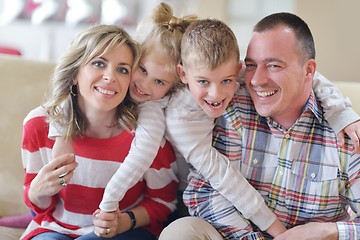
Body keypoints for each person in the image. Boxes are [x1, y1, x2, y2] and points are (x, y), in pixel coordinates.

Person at [160, 12, 360, 239]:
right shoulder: (231, 102)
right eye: (252, 65)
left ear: (309, 71)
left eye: (274, 65)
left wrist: (329, 231)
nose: (256, 80)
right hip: (237, 235)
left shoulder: (346, 133)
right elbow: (205, 192)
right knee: (182, 232)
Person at [21, 24, 178, 240]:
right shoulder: (38, 125)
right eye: (98, 64)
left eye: (122, 69)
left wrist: (125, 221)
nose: (110, 76)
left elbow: (164, 202)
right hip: (57, 227)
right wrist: (36, 191)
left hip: (127, 231)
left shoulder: (147, 137)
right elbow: (41, 207)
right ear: (75, 72)